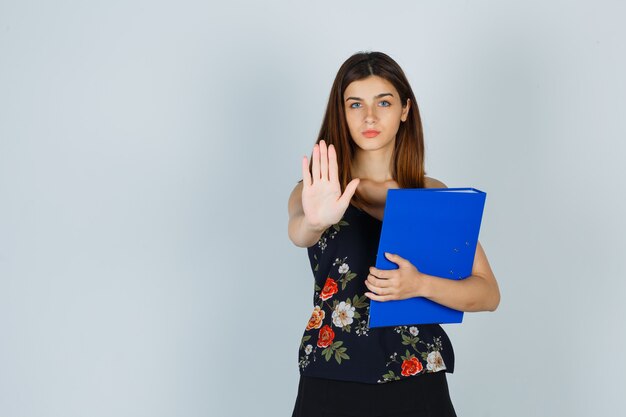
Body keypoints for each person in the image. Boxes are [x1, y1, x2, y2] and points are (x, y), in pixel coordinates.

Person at [287, 51, 500, 417]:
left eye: (383, 102)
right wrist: (316, 219)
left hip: (416, 380)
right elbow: (299, 231)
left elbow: (487, 293)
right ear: (342, 113)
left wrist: (419, 285)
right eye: (355, 104)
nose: (369, 116)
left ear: (404, 109)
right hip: (332, 380)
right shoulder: (319, 189)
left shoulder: (431, 194)